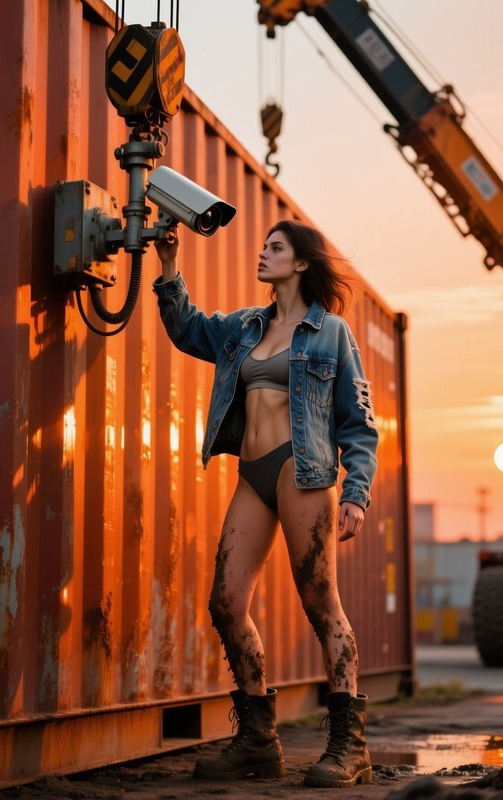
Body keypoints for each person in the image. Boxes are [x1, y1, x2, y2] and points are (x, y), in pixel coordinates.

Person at [152, 219, 378, 788]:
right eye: (264, 246)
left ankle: (349, 746)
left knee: (320, 600)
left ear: (302, 263)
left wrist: (356, 493)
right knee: (226, 601)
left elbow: (359, 421)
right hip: (252, 474)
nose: (263, 253)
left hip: (304, 473)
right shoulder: (244, 328)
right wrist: (170, 265)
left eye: (276, 248)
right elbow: (186, 329)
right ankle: (257, 740)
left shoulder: (331, 333)